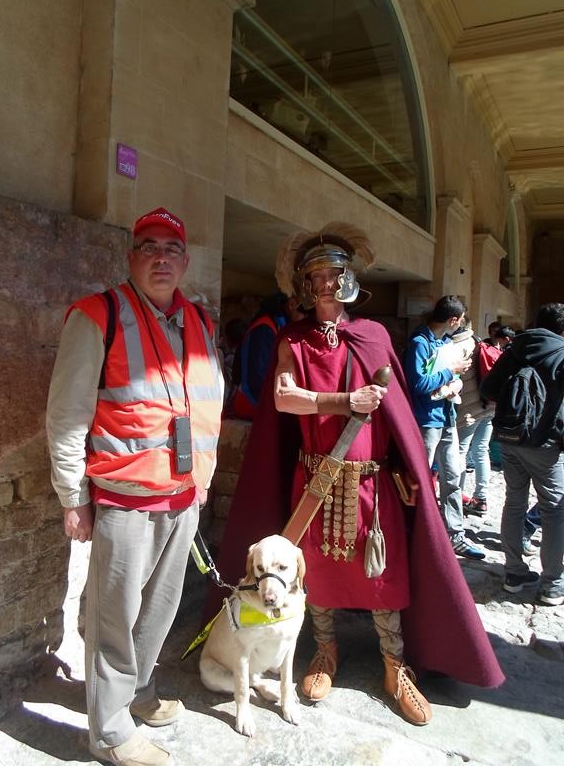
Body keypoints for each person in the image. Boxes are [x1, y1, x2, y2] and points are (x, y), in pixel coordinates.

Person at [205, 224, 503, 727]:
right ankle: (325, 653)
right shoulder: (292, 339)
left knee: (380, 571)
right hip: (315, 479)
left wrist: (411, 469)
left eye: (333, 273)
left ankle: (394, 665)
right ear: (304, 285)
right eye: (315, 275)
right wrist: (346, 401)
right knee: (315, 571)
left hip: (370, 481)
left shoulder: (373, 335)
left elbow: (399, 416)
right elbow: (283, 396)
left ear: (348, 279)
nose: (324, 283)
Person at [46, 207, 224, 766]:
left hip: (184, 493)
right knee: (113, 617)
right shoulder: (97, 314)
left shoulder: (200, 321)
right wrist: (73, 497)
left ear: (185, 260)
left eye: (171, 248)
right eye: (149, 247)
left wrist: (201, 485)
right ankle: (109, 732)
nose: (161, 258)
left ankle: (134, 692)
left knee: (158, 612)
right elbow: (67, 414)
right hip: (125, 498)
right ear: (131, 257)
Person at [481, 303, 564, 605]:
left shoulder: (515, 349)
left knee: (515, 501)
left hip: (509, 438)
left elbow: (489, 388)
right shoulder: (562, 352)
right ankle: (552, 584)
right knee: (554, 509)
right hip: (546, 445)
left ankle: (513, 574)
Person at [404, 296, 485, 559]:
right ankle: (414, 532)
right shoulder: (419, 343)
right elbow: (417, 383)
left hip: (447, 417)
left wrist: (454, 383)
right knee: (419, 479)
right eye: (460, 320)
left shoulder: (444, 342)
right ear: (453, 320)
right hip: (426, 420)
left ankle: (455, 535)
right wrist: (451, 371)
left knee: (452, 478)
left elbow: (451, 377)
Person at [231, 291, 303, 419]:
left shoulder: (279, 326)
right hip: (252, 408)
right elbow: (256, 378)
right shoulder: (264, 328)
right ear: (292, 305)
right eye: (306, 313)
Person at [457, 325, 502, 517]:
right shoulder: (484, 345)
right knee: (482, 451)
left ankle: (456, 496)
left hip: (469, 410)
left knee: (460, 451)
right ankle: (481, 498)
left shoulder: (461, 347)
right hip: (489, 407)